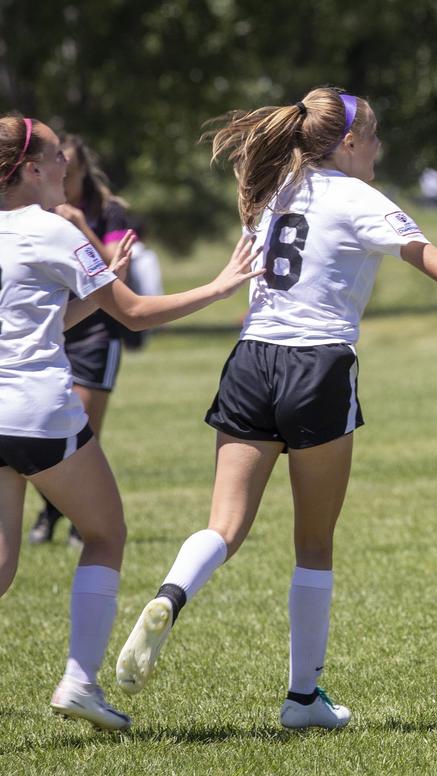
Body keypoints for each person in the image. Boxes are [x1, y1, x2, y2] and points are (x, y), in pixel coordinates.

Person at [114, 87, 437, 730]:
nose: (379, 149)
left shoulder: (275, 190)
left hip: (252, 361)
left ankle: (172, 594)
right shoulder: (360, 199)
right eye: (373, 138)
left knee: (224, 525)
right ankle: (302, 698)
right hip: (318, 368)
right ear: (347, 142)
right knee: (313, 541)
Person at [0, 113, 261, 730]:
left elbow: (43, 321)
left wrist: (96, 288)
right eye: (58, 157)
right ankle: (79, 683)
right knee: (106, 533)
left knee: (3, 565)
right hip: (37, 412)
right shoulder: (55, 231)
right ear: (32, 170)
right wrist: (222, 286)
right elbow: (138, 315)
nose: (68, 165)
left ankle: (80, 684)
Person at [26, 133, 158, 547]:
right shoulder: (38, 212)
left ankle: (82, 522)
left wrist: (81, 226)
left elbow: (115, 270)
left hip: (98, 332)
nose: (65, 179)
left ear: (81, 169)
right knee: (47, 433)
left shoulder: (109, 211)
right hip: (54, 328)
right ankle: (51, 513)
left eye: (72, 171)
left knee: (80, 430)